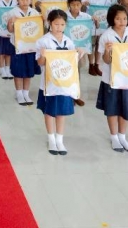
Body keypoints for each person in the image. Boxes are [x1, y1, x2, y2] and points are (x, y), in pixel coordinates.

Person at [36, 10, 84, 156]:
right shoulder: (43, 41)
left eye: (62, 24)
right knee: (49, 111)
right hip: (49, 84)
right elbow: (40, 63)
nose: (59, 27)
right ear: (50, 23)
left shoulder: (68, 41)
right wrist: (43, 56)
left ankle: (60, 139)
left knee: (61, 112)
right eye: (56, 24)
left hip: (64, 84)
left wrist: (79, 54)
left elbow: (72, 62)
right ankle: (51, 139)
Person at [97, 5, 128, 153]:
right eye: (118, 19)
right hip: (111, 79)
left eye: (124, 18)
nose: (122, 21)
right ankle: (114, 137)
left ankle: (122, 136)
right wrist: (107, 51)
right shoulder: (106, 36)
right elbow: (106, 61)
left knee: (125, 107)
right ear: (111, 19)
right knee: (112, 108)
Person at [7, 0, 39, 106]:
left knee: (28, 70)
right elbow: (10, 30)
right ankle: (19, 93)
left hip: (30, 47)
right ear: (17, 0)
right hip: (18, 46)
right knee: (18, 70)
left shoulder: (34, 13)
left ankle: (26, 93)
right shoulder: (13, 12)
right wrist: (11, 22)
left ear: (30, 0)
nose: (24, 2)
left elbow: (39, 28)